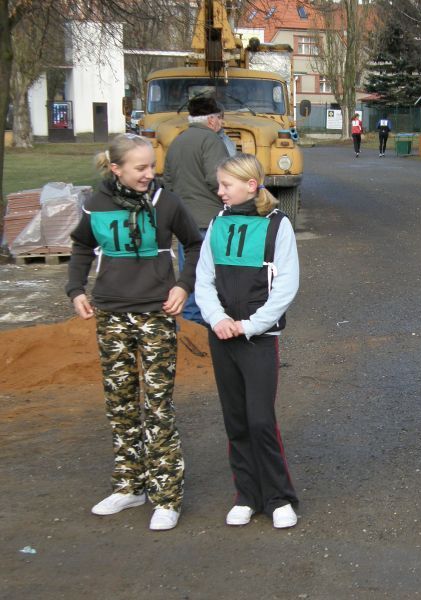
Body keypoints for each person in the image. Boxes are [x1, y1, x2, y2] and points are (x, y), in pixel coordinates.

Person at [65, 133, 203, 531]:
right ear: (116, 169)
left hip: (156, 313)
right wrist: (76, 290)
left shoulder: (167, 202)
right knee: (120, 403)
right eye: (140, 168)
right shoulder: (96, 204)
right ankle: (129, 485)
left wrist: (183, 286)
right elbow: (80, 248)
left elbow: (195, 245)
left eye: (152, 166)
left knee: (158, 406)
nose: (149, 174)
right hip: (111, 314)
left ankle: (167, 496)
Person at [194, 153, 300, 529]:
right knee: (236, 420)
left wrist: (251, 325)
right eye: (220, 185)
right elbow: (203, 278)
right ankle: (247, 495)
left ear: (250, 185)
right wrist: (218, 318)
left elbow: (286, 285)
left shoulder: (278, 225)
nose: (220, 191)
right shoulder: (217, 223)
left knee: (260, 419)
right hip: (222, 336)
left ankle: (278, 497)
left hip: (258, 338)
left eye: (226, 185)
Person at [163, 96, 230, 325]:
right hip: (209, 220)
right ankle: (209, 326)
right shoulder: (212, 141)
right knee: (213, 276)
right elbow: (216, 179)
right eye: (220, 119)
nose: (222, 123)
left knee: (190, 273)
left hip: (184, 221)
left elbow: (168, 182)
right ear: (211, 120)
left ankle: (191, 326)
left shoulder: (177, 142)